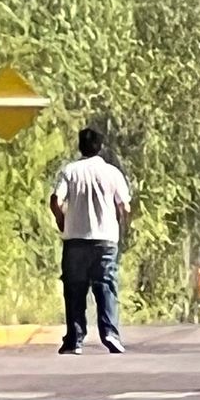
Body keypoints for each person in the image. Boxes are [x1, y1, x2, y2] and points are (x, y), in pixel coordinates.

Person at [49, 126, 132, 355]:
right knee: (106, 286)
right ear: (100, 147)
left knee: (74, 290)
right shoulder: (112, 173)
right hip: (106, 240)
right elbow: (124, 206)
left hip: (75, 239)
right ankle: (110, 333)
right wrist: (120, 227)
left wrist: (61, 220)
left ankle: (75, 340)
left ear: (80, 146)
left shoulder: (70, 171)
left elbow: (55, 200)